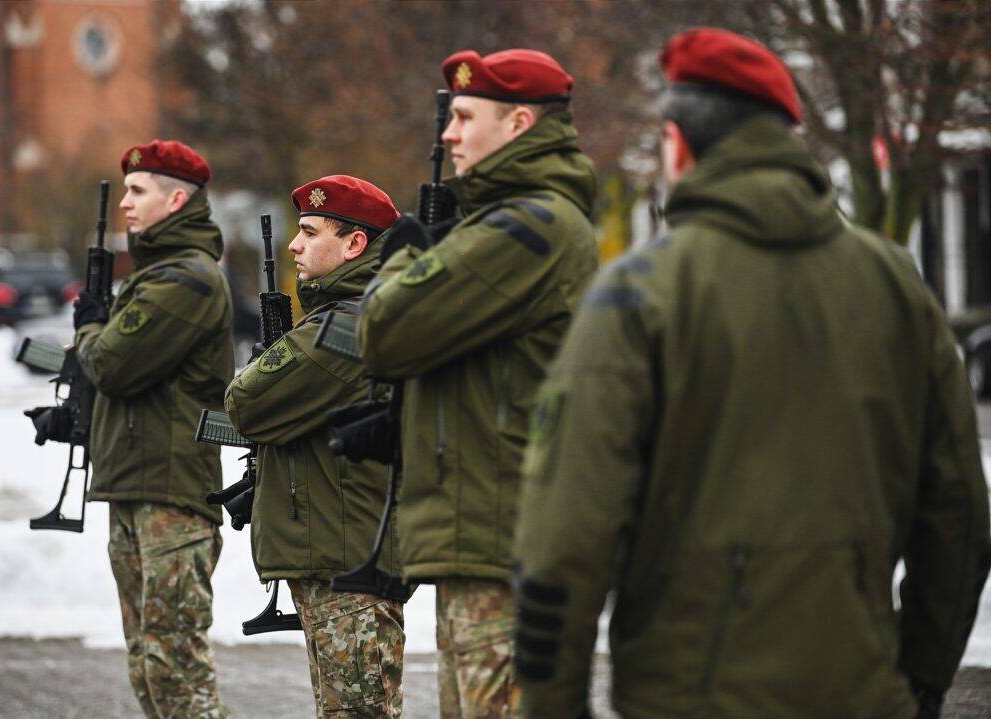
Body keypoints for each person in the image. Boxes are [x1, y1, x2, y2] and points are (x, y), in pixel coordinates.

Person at [513, 27, 991, 719]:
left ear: (679, 144)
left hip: (688, 697)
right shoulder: (896, 286)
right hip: (864, 691)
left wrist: (553, 705)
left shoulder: (640, 294)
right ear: (785, 140)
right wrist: (918, 681)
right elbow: (959, 515)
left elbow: (564, 534)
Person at [357, 49, 600, 718]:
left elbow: (382, 331)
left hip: (504, 541)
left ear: (519, 123)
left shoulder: (528, 226)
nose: (449, 134)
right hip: (489, 536)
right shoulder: (513, 221)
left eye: (466, 117)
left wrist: (405, 255)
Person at [224, 175, 406, 718]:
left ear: (354, 244)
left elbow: (245, 402)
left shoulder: (349, 325)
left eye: (310, 232)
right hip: (340, 552)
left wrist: (266, 366)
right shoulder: (348, 315)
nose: (294, 245)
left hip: (347, 563)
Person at [73, 139, 234, 718]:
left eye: (138, 191)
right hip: (136, 485)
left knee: (176, 669)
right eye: (125, 191)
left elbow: (112, 364)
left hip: (171, 494)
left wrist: (89, 329)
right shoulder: (155, 274)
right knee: (149, 664)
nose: (125, 203)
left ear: (176, 200)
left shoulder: (187, 279)